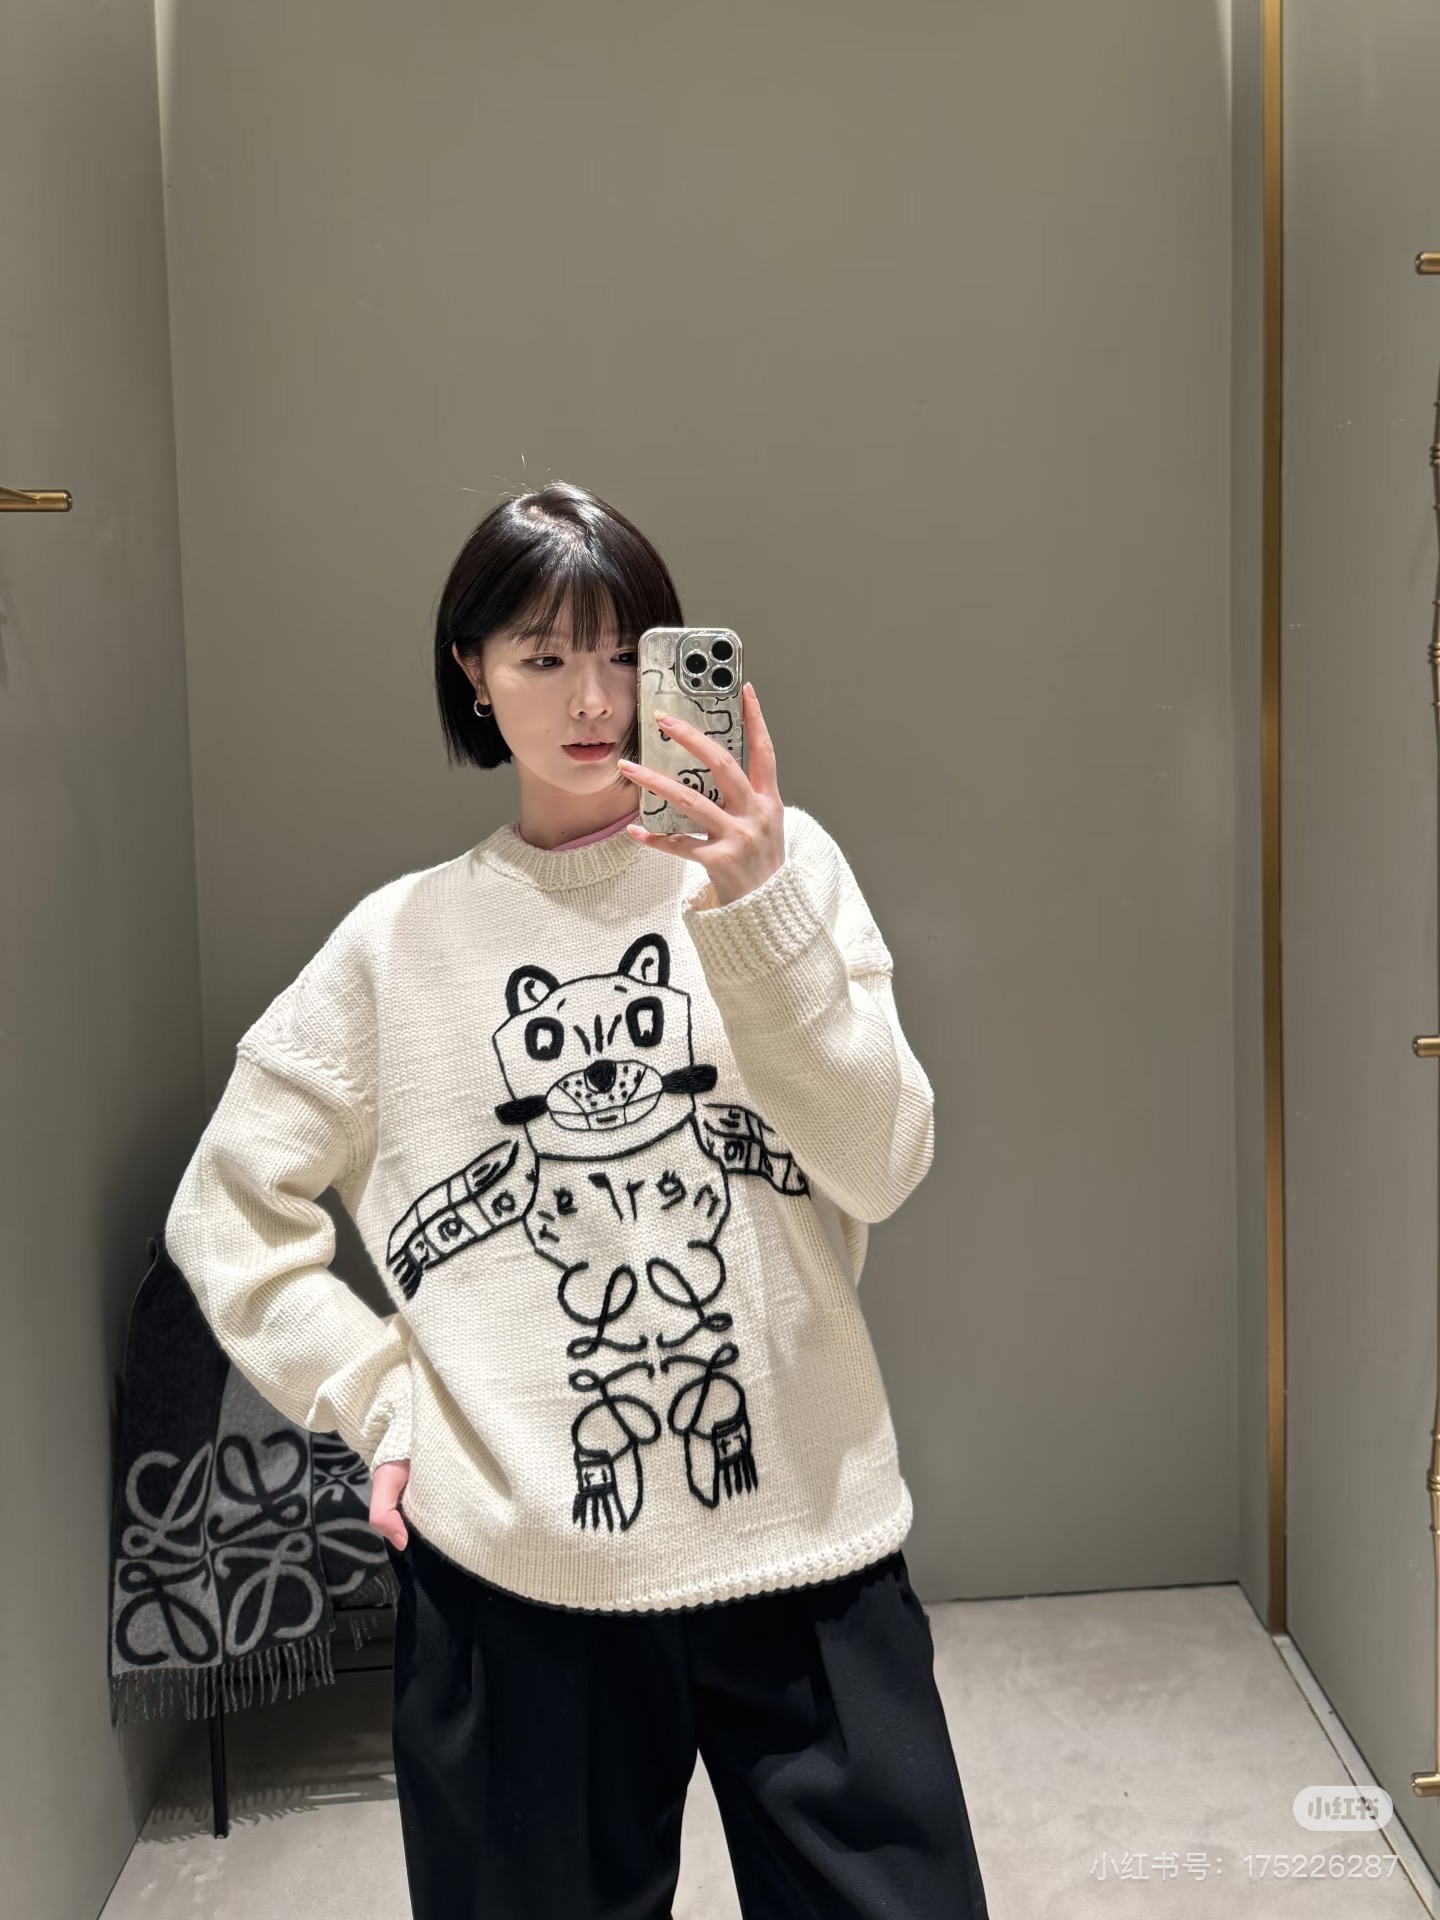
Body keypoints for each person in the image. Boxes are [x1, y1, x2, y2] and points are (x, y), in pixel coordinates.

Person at [165, 480, 991, 1920]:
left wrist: (755, 914)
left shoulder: (784, 871)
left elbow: (883, 1159)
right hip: (521, 1572)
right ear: (474, 675)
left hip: (804, 1529)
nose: (595, 699)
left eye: (624, 653)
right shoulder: (397, 947)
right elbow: (226, 1209)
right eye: (544, 656)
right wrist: (378, 1395)